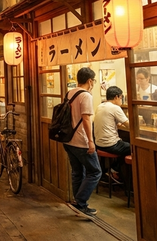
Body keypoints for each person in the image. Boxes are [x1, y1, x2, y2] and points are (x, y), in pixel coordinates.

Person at [62, 67, 102, 217]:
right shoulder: (86, 96)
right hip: (81, 141)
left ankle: (78, 203)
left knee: (77, 172)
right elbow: (86, 119)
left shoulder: (70, 92)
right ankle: (81, 201)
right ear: (90, 81)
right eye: (93, 81)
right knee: (95, 172)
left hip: (69, 140)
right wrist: (91, 141)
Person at [94, 86, 131, 182]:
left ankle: (111, 171)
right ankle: (116, 171)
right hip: (110, 144)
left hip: (98, 144)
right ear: (116, 97)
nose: (121, 100)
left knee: (125, 146)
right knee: (134, 148)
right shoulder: (115, 108)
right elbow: (129, 126)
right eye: (121, 98)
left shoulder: (100, 106)